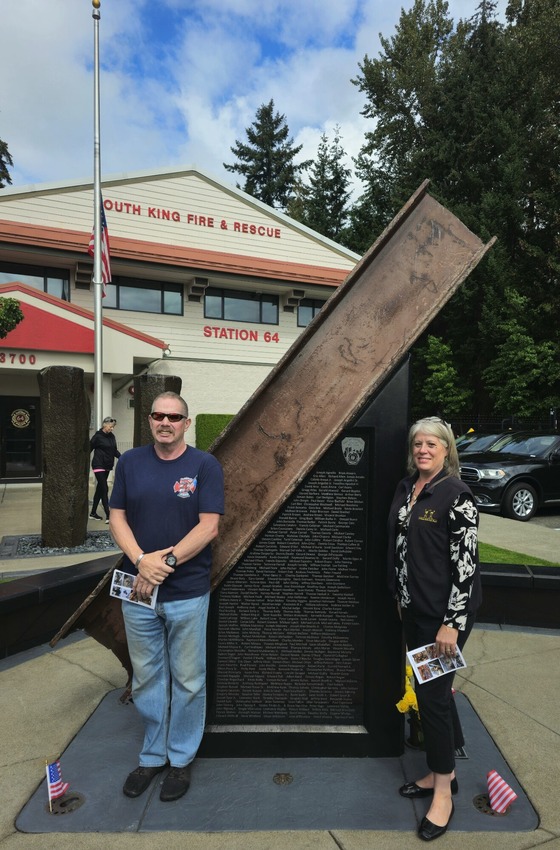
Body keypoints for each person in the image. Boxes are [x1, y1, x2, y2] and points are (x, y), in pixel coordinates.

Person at [109, 391, 224, 802]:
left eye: (174, 417)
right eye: (158, 415)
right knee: (148, 678)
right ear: (150, 420)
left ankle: (180, 759)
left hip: (186, 591)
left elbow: (209, 526)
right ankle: (153, 756)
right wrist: (141, 560)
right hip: (137, 591)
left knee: (188, 679)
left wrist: (166, 562)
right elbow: (117, 517)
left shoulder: (204, 466)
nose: (165, 422)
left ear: (186, 424)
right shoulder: (130, 463)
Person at [387, 416, 481, 842]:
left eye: (432, 444)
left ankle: (443, 793)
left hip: (445, 618)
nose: (424, 450)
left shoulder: (457, 495)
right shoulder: (408, 488)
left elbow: (466, 568)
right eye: (418, 444)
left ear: (447, 450)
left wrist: (451, 624)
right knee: (432, 696)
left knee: (435, 700)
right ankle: (442, 771)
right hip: (416, 610)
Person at [89, 417, 120, 523]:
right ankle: (108, 515)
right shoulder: (97, 437)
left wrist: (124, 458)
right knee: (105, 488)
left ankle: (93, 513)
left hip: (107, 465)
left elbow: (114, 451)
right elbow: (89, 449)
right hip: (98, 465)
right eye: (111, 427)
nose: (112, 429)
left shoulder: (112, 437)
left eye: (113, 427)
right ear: (104, 425)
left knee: (100, 490)